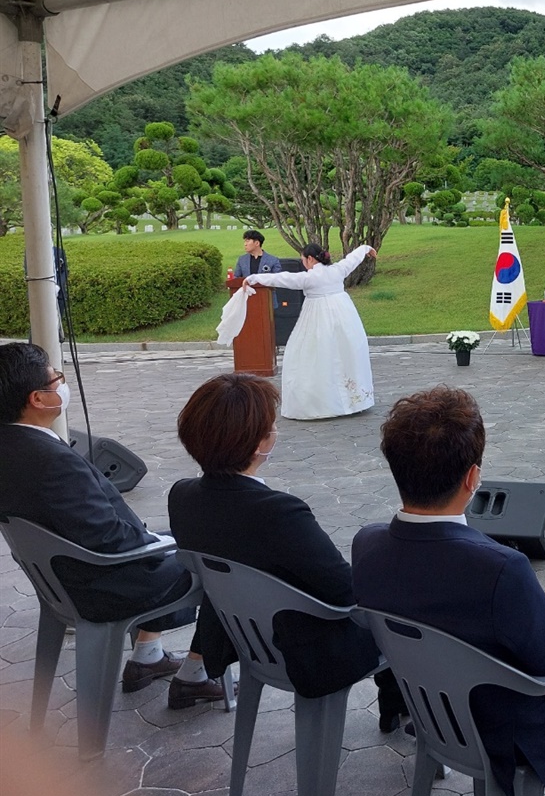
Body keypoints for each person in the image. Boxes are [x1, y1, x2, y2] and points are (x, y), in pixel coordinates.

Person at [352, 386, 545, 796]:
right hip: (501, 731)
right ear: (472, 479)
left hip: (432, 712)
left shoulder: (366, 544)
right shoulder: (500, 568)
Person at [167, 373, 405, 724]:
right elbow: (346, 592)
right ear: (257, 443)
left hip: (247, 640)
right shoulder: (278, 512)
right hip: (307, 651)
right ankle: (414, 707)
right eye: (270, 427)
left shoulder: (182, 495)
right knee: (396, 594)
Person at [0, 343, 226, 709]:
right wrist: (157, 540)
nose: (62, 385)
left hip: (60, 577)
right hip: (103, 581)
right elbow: (111, 541)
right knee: (222, 556)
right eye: (57, 380)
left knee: (182, 540)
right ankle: (195, 676)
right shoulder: (51, 462)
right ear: (38, 400)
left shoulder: (11, 444)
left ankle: (147, 656)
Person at [243, 242, 377, 420]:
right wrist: (366, 248)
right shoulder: (338, 270)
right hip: (344, 316)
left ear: (311, 259)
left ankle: (321, 402)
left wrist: (253, 278)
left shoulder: (309, 278)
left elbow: (282, 278)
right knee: (346, 353)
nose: (303, 263)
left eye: (303, 260)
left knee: (312, 355)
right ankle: (354, 399)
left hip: (317, 318)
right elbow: (352, 259)